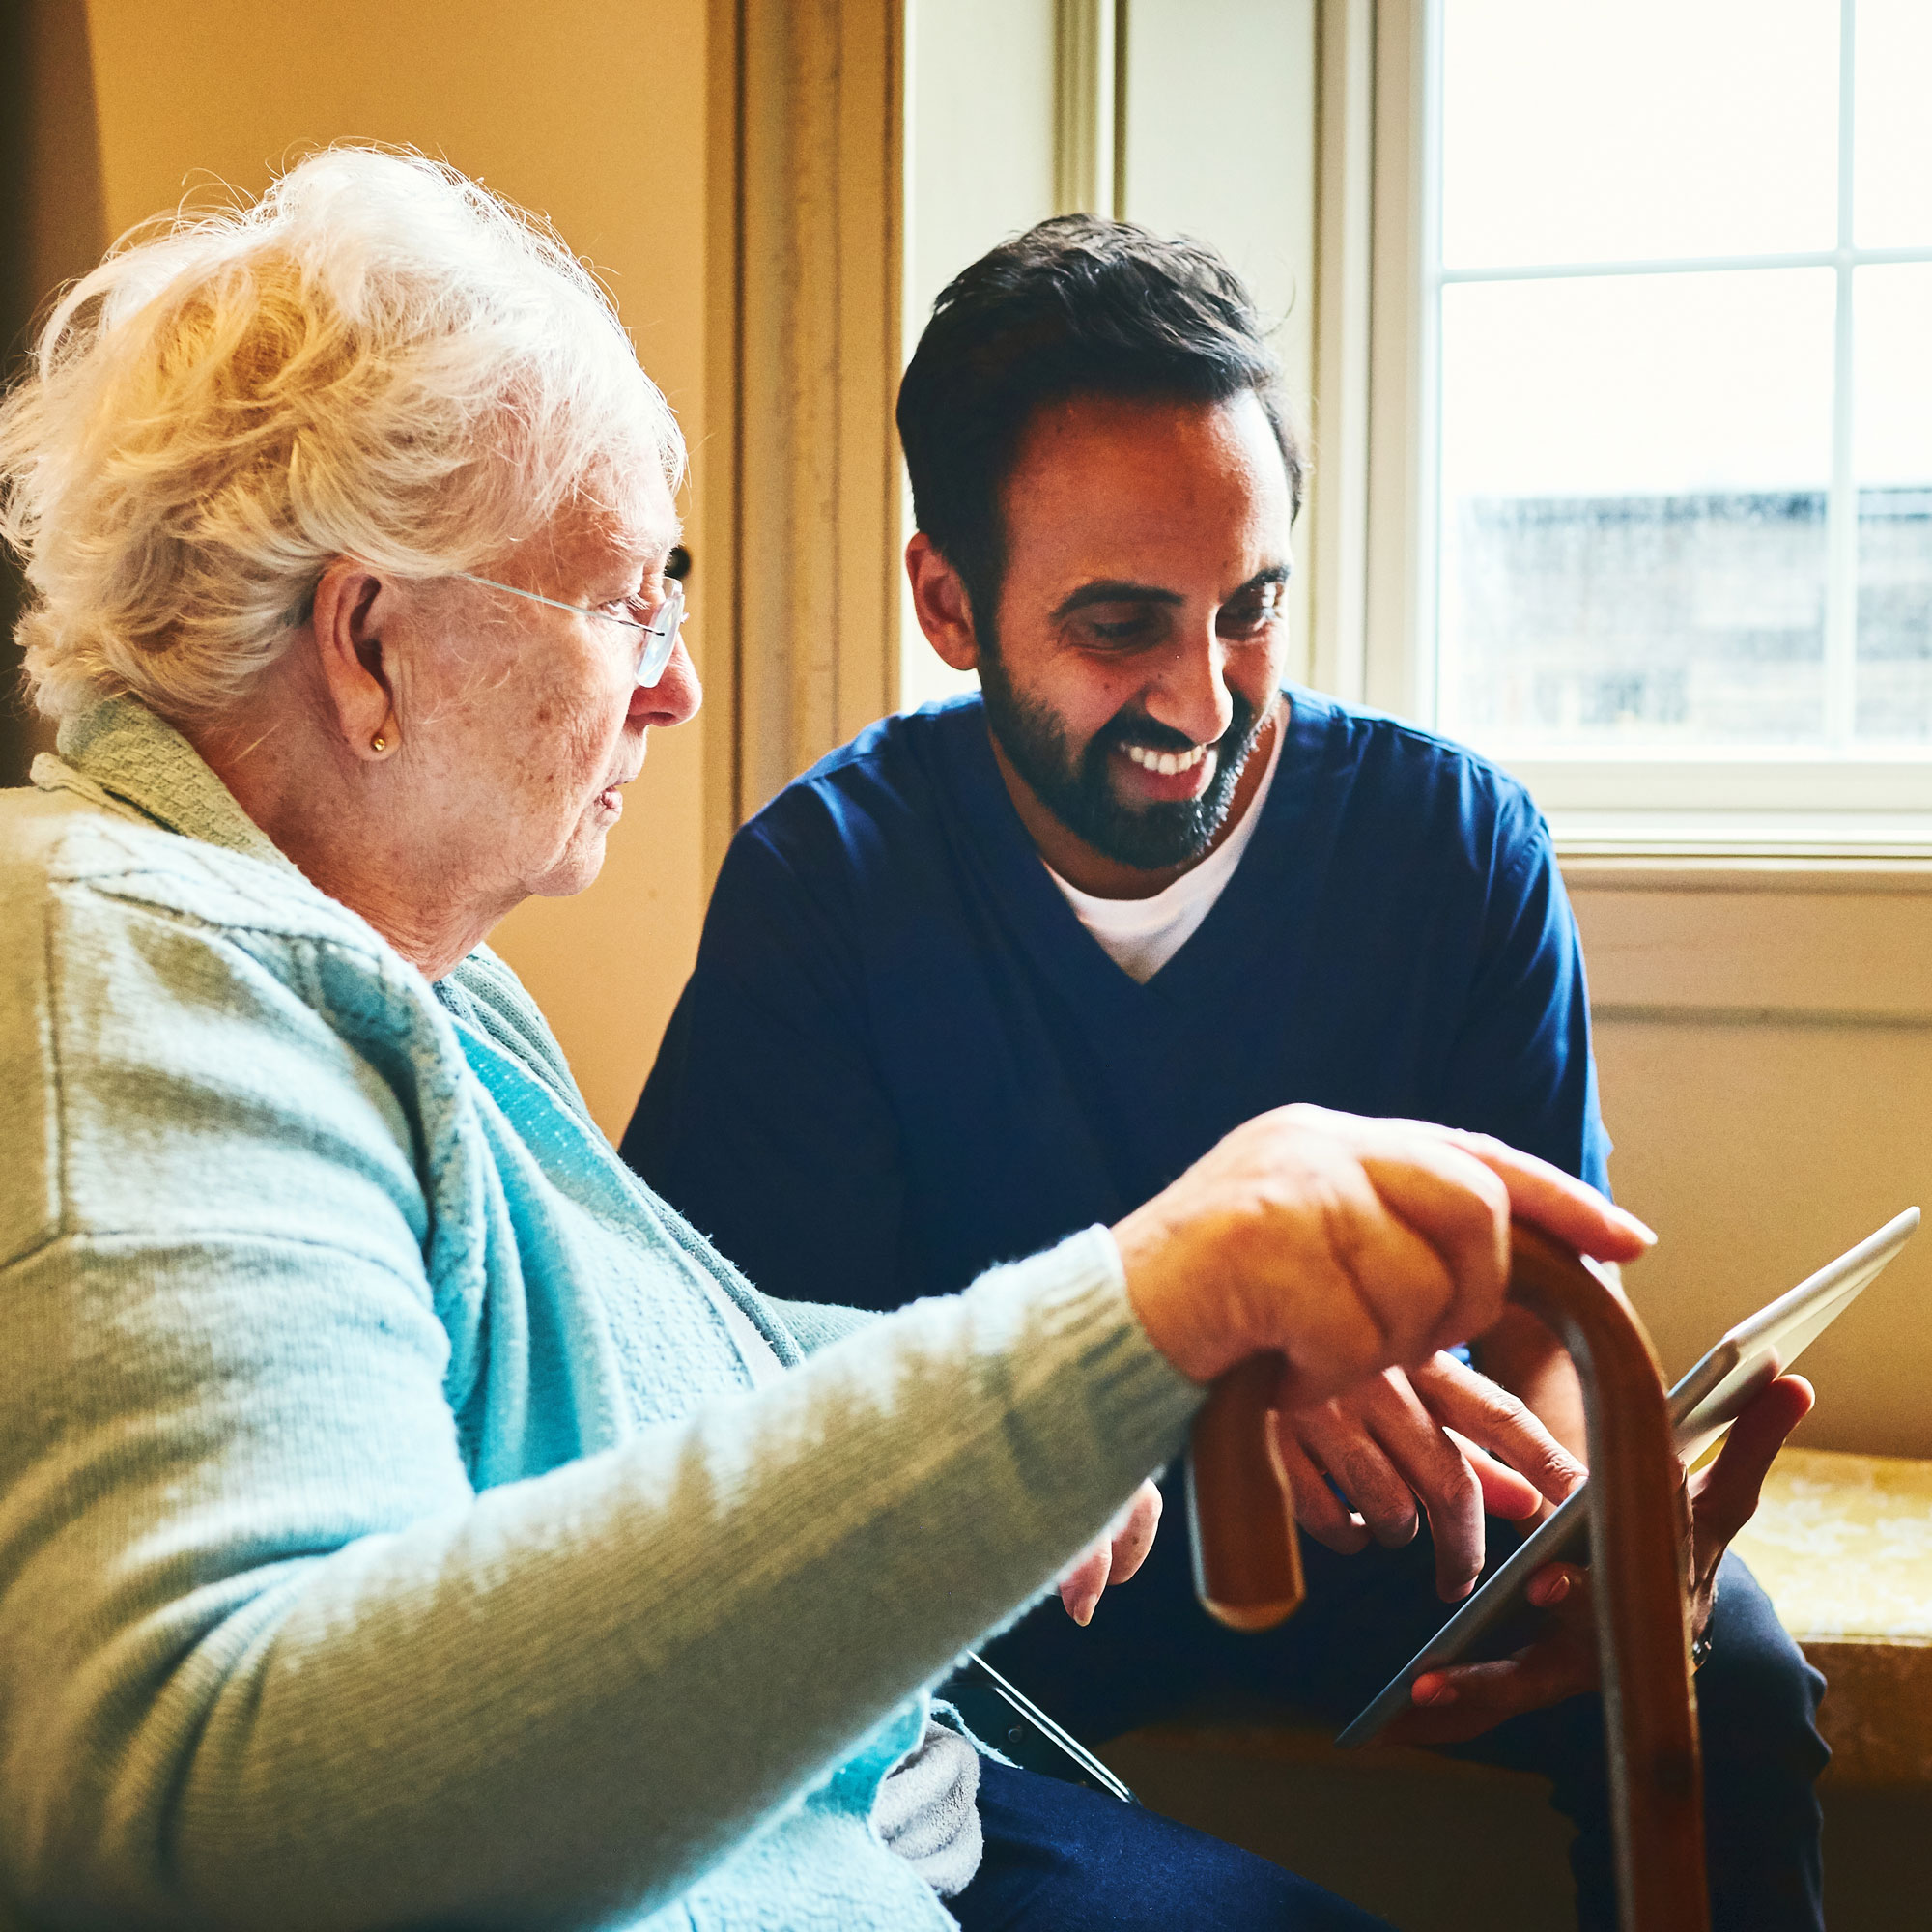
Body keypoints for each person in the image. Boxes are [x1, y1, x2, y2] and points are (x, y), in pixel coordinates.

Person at [0, 147, 1688, 1932]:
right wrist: (1131, 1314)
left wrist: (1142, 1380)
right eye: (623, 598)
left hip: (891, 1809)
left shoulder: (410, 977)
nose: (678, 681)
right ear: (367, 645)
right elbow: (214, 1808)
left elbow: (643, 1379)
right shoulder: (128, 982)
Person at [625, 216, 1830, 1931]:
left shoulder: (1451, 841)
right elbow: (737, 1402)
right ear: (948, 603)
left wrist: (1583, 1542)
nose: (1205, 696)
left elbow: (1542, 1319)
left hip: (1397, 1548)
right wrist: (1194, 1379)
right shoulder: (829, 891)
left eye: (1250, 612)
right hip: (1022, 1587)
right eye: (1123, 626)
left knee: (1731, 1688)